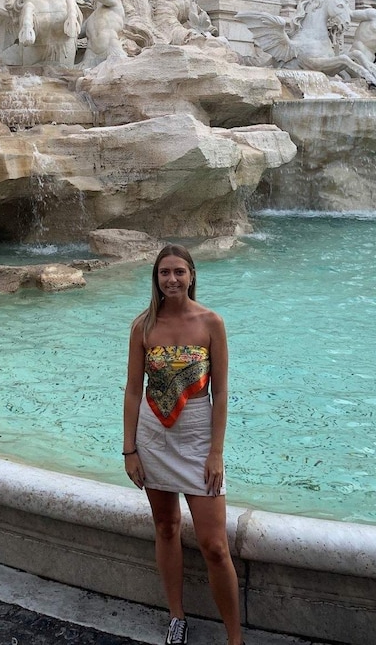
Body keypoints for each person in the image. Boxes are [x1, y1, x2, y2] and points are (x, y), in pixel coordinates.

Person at [124, 245, 242, 645]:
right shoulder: (143, 326)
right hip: (153, 438)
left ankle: (234, 637)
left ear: (192, 274)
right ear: (155, 278)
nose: (171, 279)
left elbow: (222, 394)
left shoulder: (212, 322)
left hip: (197, 438)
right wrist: (130, 449)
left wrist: (216, 452)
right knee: (166, 526)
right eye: (163, 273)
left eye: (178, 272)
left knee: (215, 545)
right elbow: (133, 391)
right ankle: (177, 617)